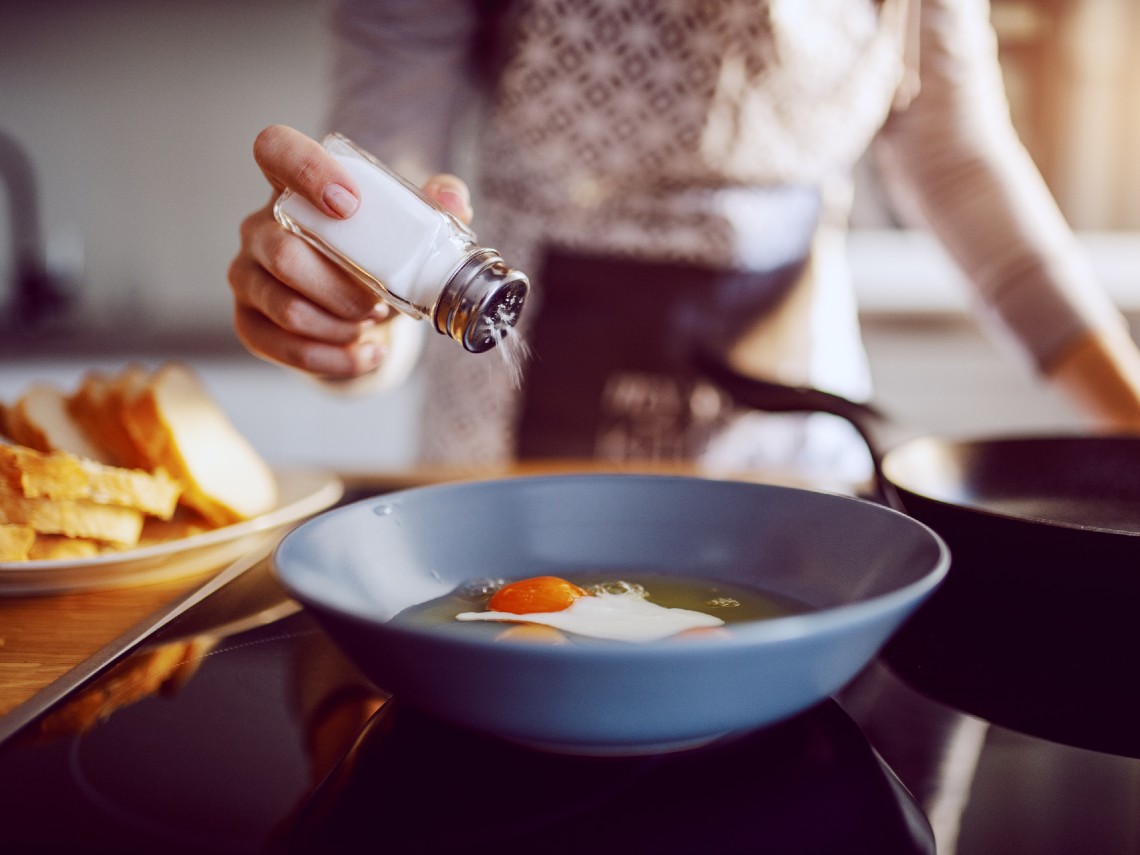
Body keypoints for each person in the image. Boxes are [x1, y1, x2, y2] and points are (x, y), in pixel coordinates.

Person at [229, 0, 1140, 849]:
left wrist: (1131, 413)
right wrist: (346, 320)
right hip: (511, 460)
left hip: (799, 478)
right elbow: (384, 176)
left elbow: (955, 152)